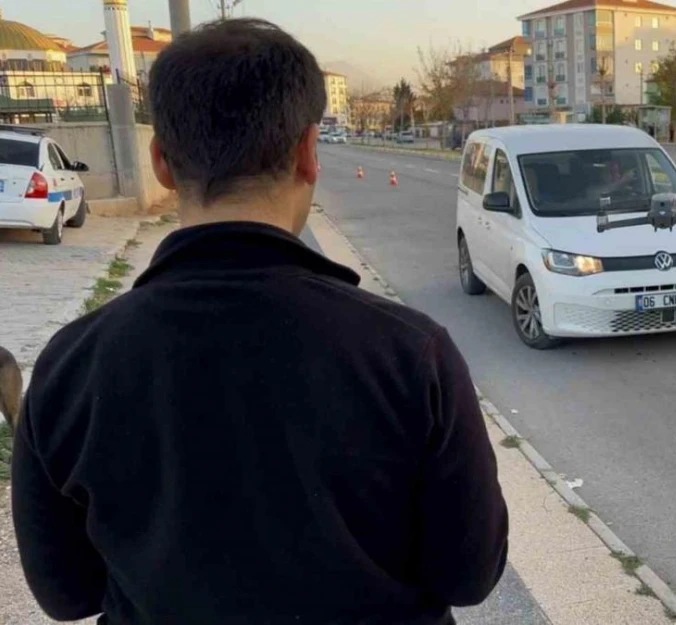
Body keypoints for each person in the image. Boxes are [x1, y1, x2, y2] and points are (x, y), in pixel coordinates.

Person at [12, 18, 508, 625]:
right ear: (307, 151)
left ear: (162, 162)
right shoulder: (411, 355)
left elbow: (65, 596)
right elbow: (469, 573)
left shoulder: (71, 365)